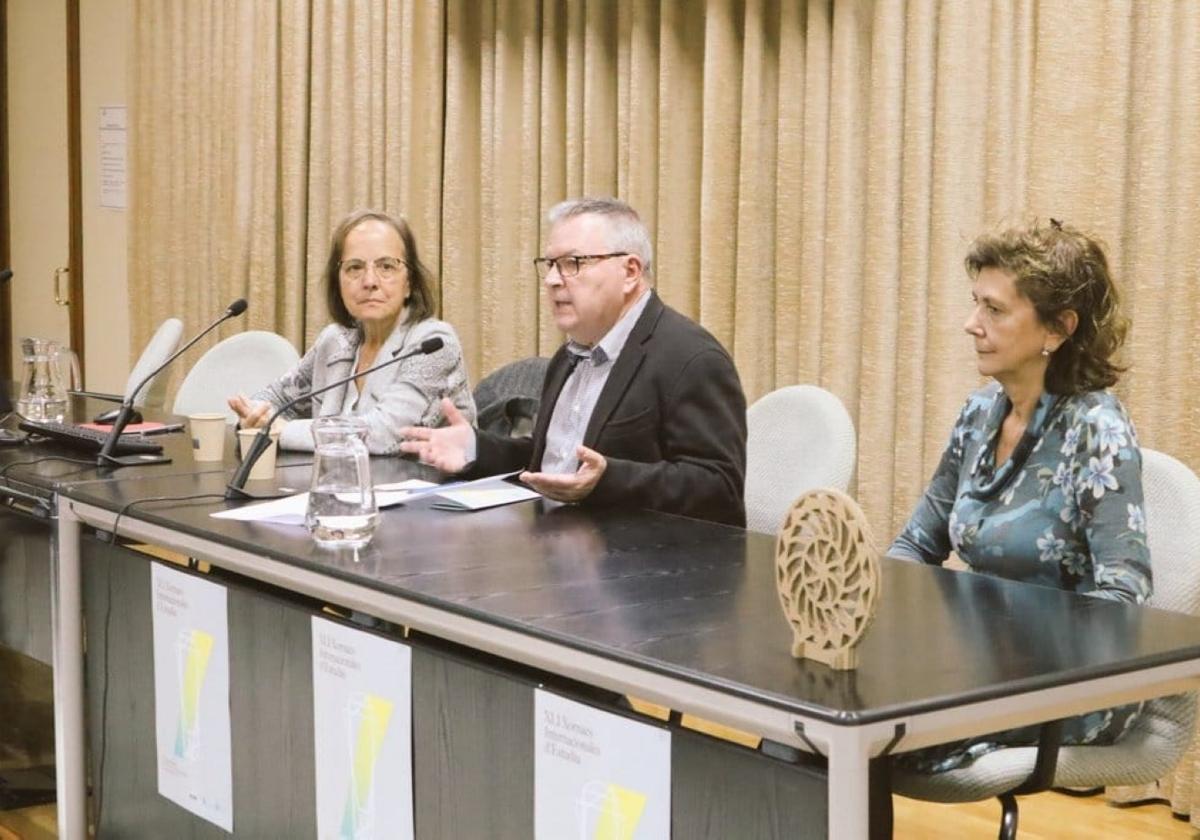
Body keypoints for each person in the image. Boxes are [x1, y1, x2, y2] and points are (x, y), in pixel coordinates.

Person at [889, 219, 1151, 773]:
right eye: (974, 304)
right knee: (816, 717)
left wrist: (999, 655)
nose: (970, 325)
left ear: (1057, 329)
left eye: (995, 310)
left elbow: (1122, 600)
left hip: (1067, 682)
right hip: (971, 665)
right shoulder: (978, 414)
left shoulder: (1097, 429)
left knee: (874, 733)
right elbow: (915, 545)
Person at [400, 196, 747, 527]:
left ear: (629, 272)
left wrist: (608, 479)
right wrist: (476, 447)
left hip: (647, 570)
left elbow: (719, 488)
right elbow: (549, 461)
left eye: (572, 263)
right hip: (559, 548)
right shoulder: (571, 354)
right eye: (550, 264)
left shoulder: (691, 358)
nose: (552, 280)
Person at [228, 209, 475, 454]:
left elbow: (384, 436)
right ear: (339, 282)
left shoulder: (434, 344)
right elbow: (276, 399)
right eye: (354, 268)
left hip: (429, 488)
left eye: (386, 266)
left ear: (409, 283)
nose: (370, 281)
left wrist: (281, 431)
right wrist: (252, 417)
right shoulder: (335, 341)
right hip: (340, 486)